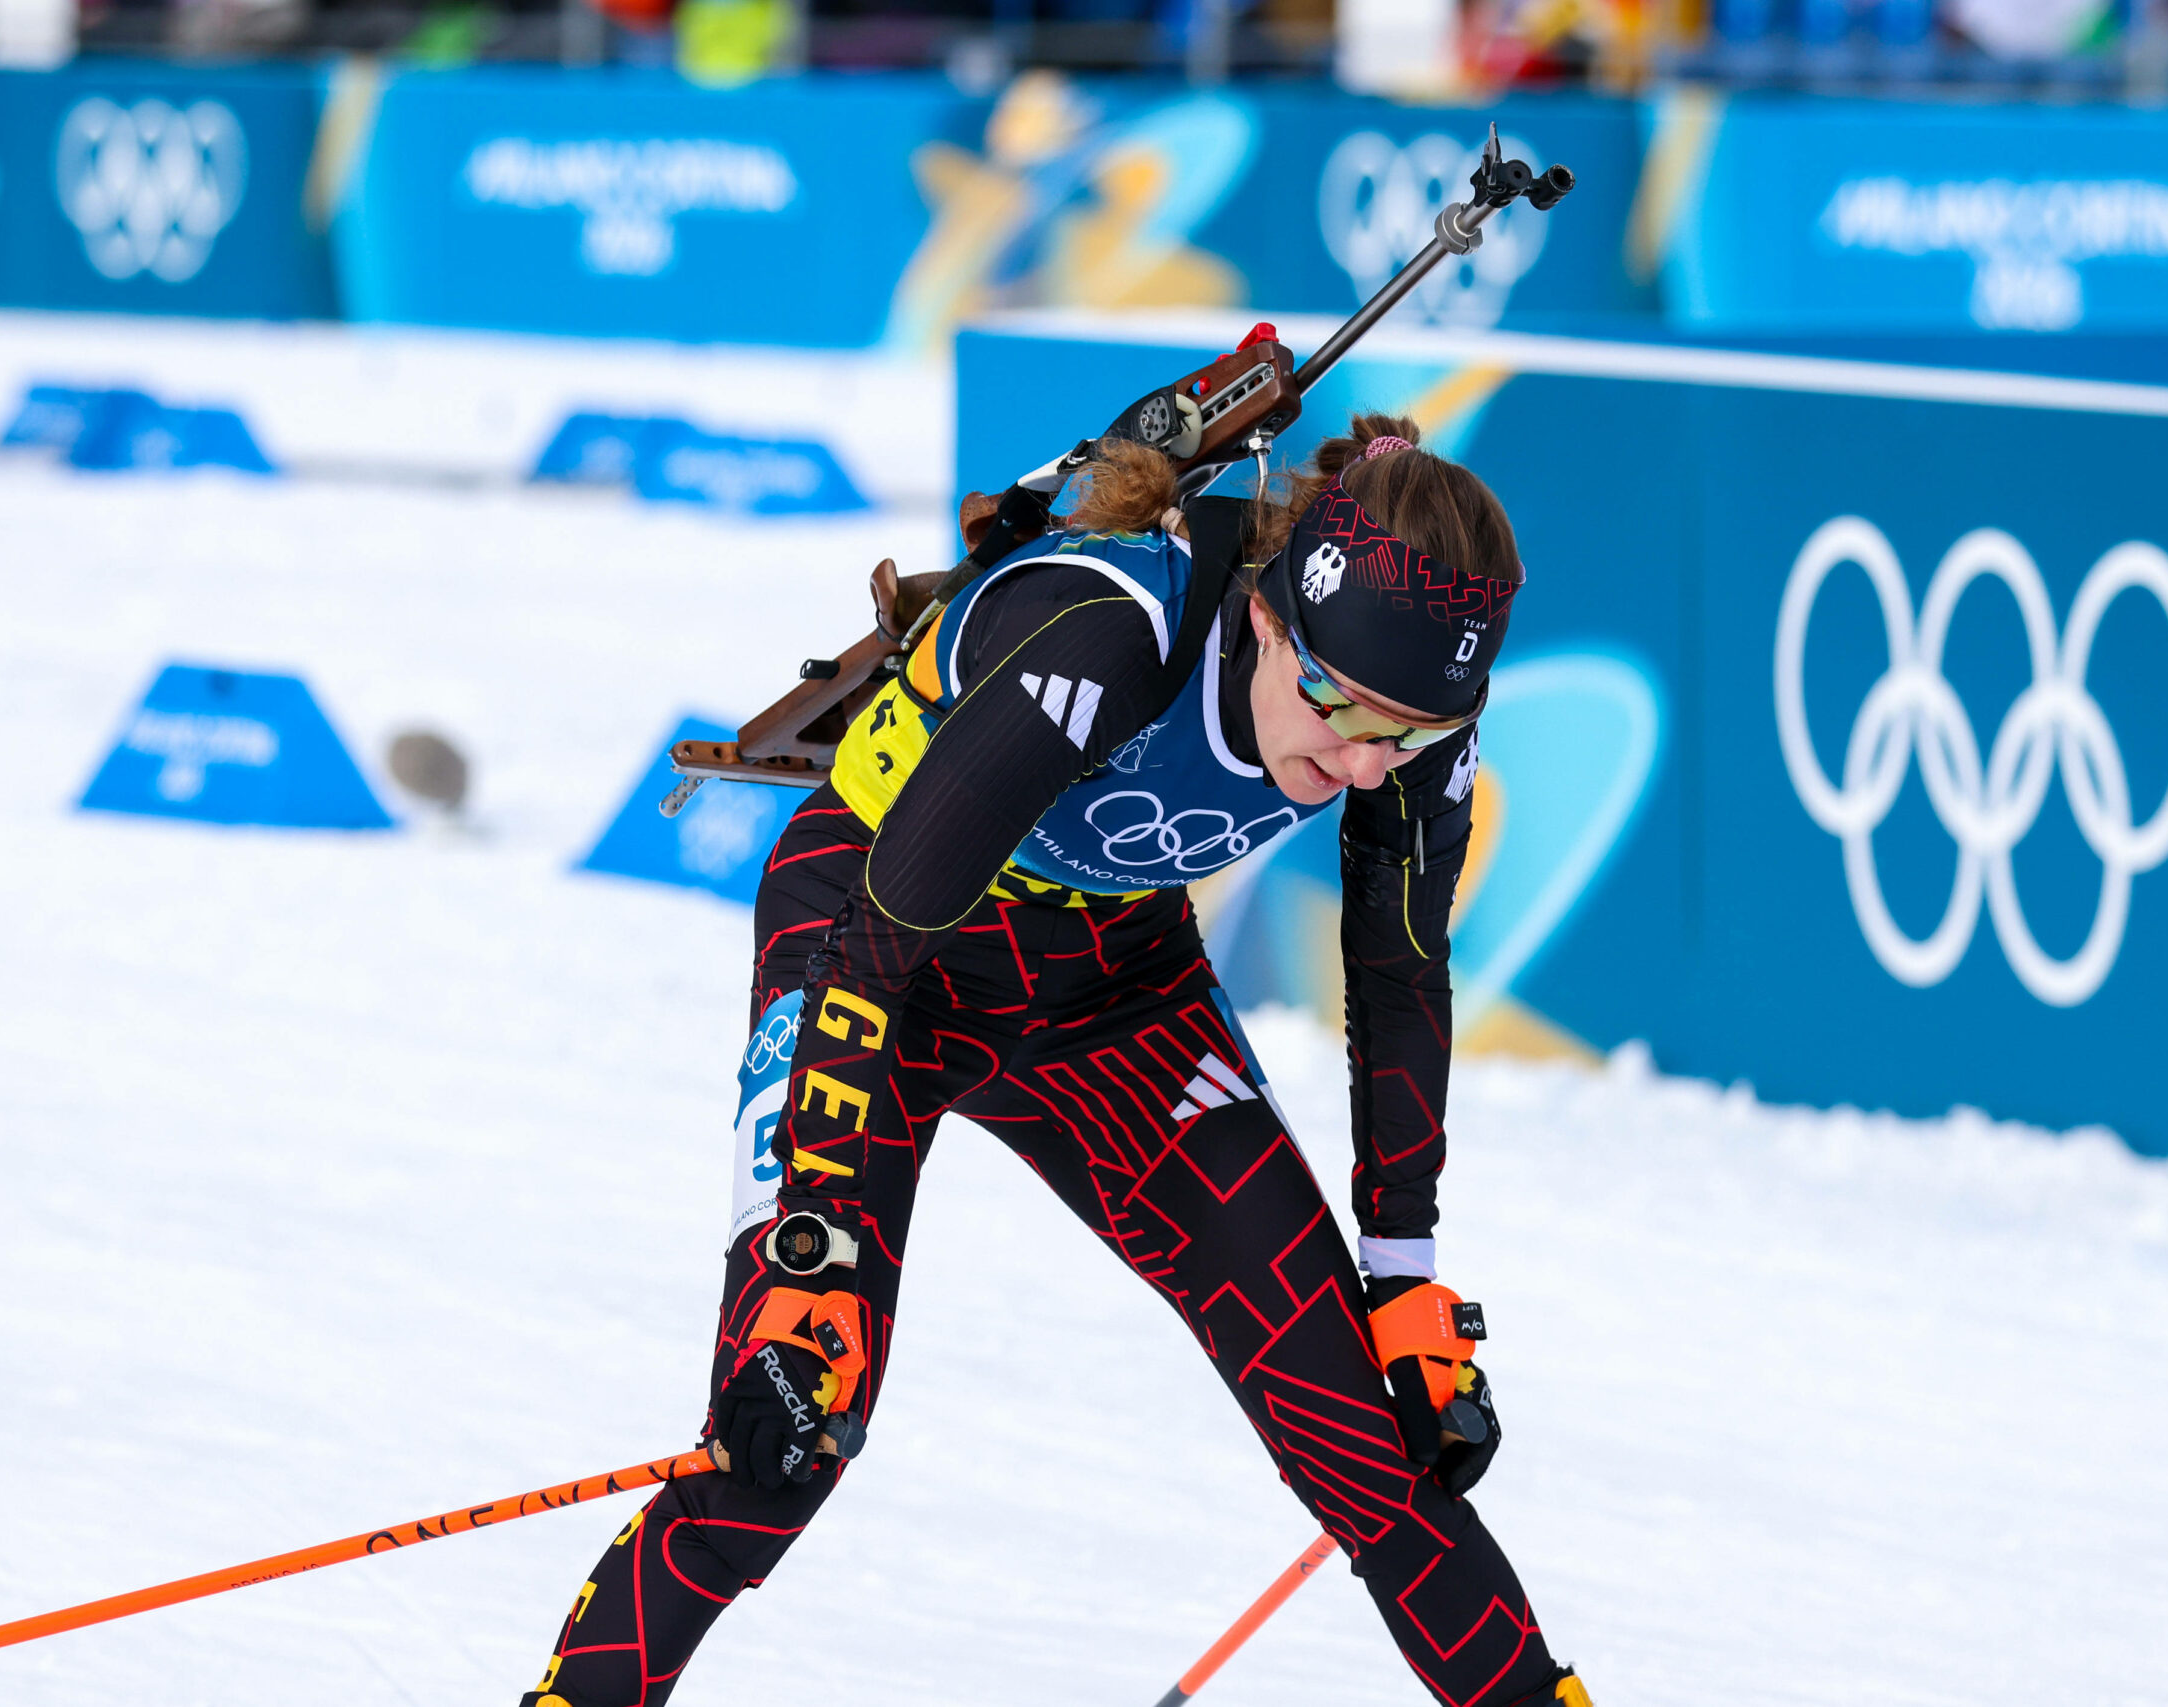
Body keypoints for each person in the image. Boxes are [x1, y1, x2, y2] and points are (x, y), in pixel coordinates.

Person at [523, 411, 1589, 1707]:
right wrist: (810, 1258)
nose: (1362, 763)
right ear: (1265, 621)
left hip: (1109, 986)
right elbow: (881, 936)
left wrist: (1407, 1286)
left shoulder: (1404, 724)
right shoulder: (1109, 636)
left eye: (1406, 739)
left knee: (1374, 1440)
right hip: (876, 947)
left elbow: (1399, 974)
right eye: (1332, 704)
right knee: (789, 1427)